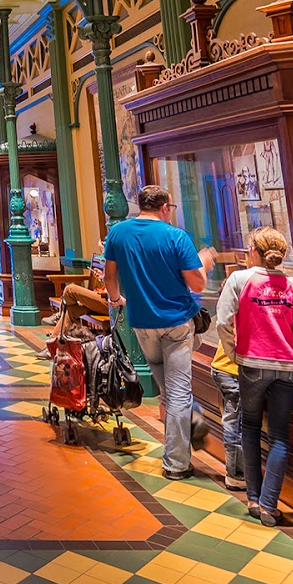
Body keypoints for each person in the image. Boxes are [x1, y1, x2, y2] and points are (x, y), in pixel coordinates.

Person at [103, 185, 216, 480]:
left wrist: (116, 300)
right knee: (178, 391)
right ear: (164, 207)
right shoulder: (176, 236)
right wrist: (204, 263)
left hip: (142, 323)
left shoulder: (118, 233)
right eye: (171, 208)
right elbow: (197, 285)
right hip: (176, 322)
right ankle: (177, 463)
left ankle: (192, 417)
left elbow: (109, 276)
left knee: (168, 387)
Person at [216, 227, 293, 526]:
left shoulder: (239, 280)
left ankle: (253, 498)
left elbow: (222, 322)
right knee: (279, 436)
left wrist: (234, 352)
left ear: (254, 252)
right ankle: (269, 505)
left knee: (249, 427)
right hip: (288, 367)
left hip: (252, 364)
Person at [210, 337, 245, 492]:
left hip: (221, 367)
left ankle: (237, 472)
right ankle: (236, 475)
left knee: (233, 422)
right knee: (235, 425)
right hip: (233, 371)